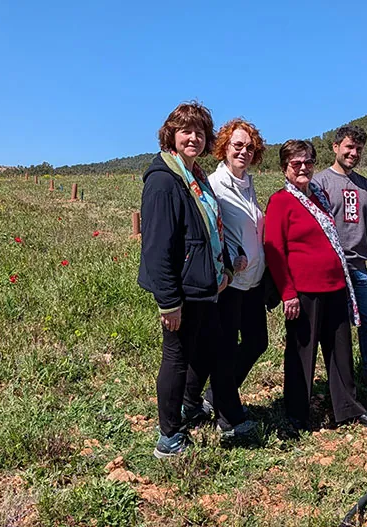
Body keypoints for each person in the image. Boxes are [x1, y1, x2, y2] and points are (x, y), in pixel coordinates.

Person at [137, 102, 254, 458]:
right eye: (186, 131)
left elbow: (208, 234)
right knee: (176, 358)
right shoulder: (163, 181)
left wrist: (226, 269)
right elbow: (156, 248)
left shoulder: (196, 178)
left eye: (200, 132)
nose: (194, 137)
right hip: (183, 292)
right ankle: (169, 436)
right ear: (171, 135)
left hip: (206, 285)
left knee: (216, 350)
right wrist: (168, 301)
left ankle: (225, 416)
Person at [263, 139, 367, 430]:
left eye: (307, 162)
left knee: (340, 352)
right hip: (304, 291)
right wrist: (288, 293)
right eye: (296, 163)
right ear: (285, 168)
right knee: (300, 354)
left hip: (334, 286)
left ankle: (348, 408)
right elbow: (275, 250)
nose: (303, 168)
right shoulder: (281, 201)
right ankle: (296, 413)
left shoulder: (317, 195)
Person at [183, 118, 269, 421]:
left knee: (257, 342)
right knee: (223, 347)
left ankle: (209, 396)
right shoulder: (216, 185)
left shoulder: (248, 183)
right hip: (230, 281)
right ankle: (216, 405)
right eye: (237, 145)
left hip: (254, 280)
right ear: (224, 147)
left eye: (249, 147)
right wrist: (232, 256)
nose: (243, 151)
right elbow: (211, 228)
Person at [312, 126, 367, 392]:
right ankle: (339, 380)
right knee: (335, 328)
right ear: (336, 147)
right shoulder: (320, 182)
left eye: (358, 149)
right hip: (330, 267)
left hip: (359, 266)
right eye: (349, 147)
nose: (353, 153)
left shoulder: (365, 185)